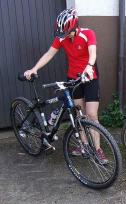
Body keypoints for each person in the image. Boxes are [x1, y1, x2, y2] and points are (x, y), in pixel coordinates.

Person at [24, 8, 108, 163]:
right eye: (61, 34)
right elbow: (49, 54)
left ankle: (98, 149)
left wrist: (89, 66)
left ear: (74, 27)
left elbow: (93, 53)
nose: (64, 36)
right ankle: (84, 145)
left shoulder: (87, 33)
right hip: (73, 79)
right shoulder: (61, 38)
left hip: (90, 78)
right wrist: (34, 68)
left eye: (67, 33)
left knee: (92, 115)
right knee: (79, 114)